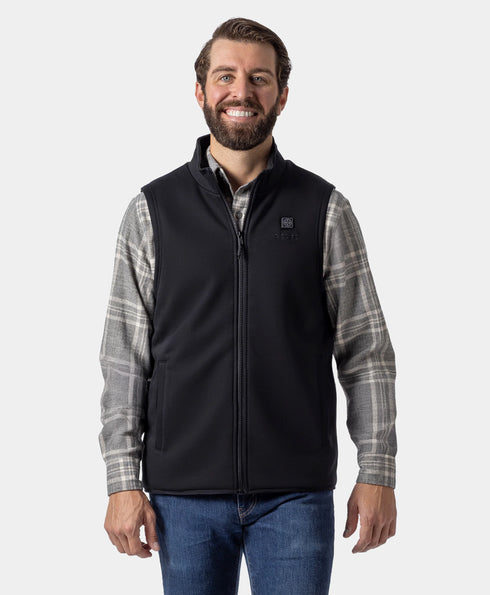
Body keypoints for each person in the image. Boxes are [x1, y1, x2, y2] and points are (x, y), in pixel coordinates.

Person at [98, 17, 397, 594]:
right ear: (200, 91)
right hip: (181, 497)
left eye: (260, 78)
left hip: (295, 495)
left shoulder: (325, 209)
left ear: (282, 95)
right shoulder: (151, 211)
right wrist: (121, 481)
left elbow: (367, 353)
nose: (242, 91)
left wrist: (378, 470)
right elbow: (123, 360)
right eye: (226, 76)